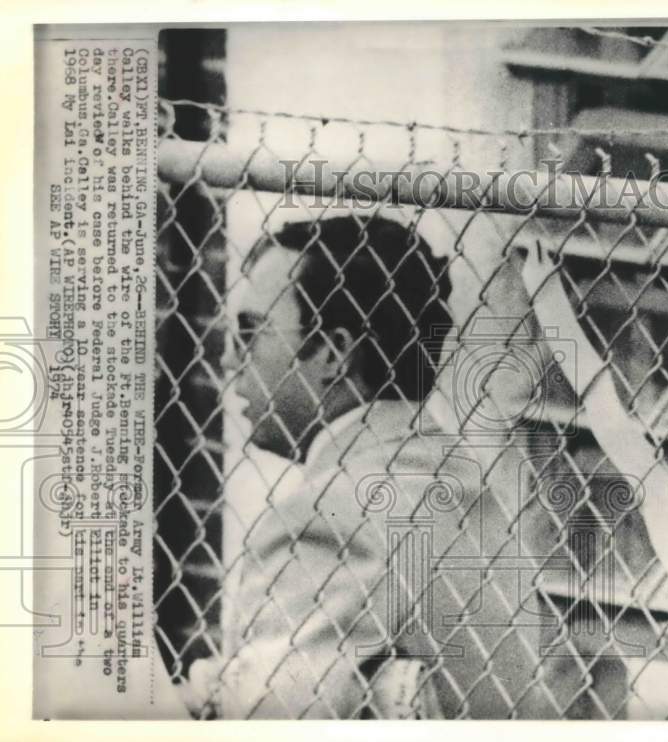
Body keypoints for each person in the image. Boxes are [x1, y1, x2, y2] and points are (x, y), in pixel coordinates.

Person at [181, 214, 557, 719]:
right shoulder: (460, 476)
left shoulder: (331, 516)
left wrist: (209, 696)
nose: (229, 361)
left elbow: (268, 717)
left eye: (250, 334)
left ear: (335, 352)